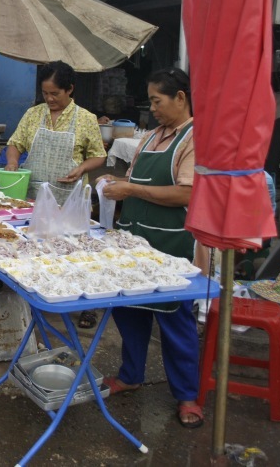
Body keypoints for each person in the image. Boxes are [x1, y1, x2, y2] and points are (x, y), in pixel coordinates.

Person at [98, 68, 204, 429]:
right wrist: (116, 183)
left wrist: (130, 190)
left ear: (180, 98)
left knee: (175, 321)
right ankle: (130, 374)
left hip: (169, 244)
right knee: (129, 313)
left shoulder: (194, 138)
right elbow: (136, 181)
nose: (153, 109)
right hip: (133, 240)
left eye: (158, 101)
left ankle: (187, 395)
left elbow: (186, 194)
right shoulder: (150, 137)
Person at [3, 61, 106, 329]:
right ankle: (40, 296)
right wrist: (13, 162)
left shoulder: (85, 119)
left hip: (69, 197)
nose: (49, 99)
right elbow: (15, 143)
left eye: (55, 94)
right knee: (36, 248)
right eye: (45, 93)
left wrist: (81, 168)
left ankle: (85, 305)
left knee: (74, 250)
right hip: (35, 193)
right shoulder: (33, 114)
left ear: (69, 89)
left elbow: (98, 155)